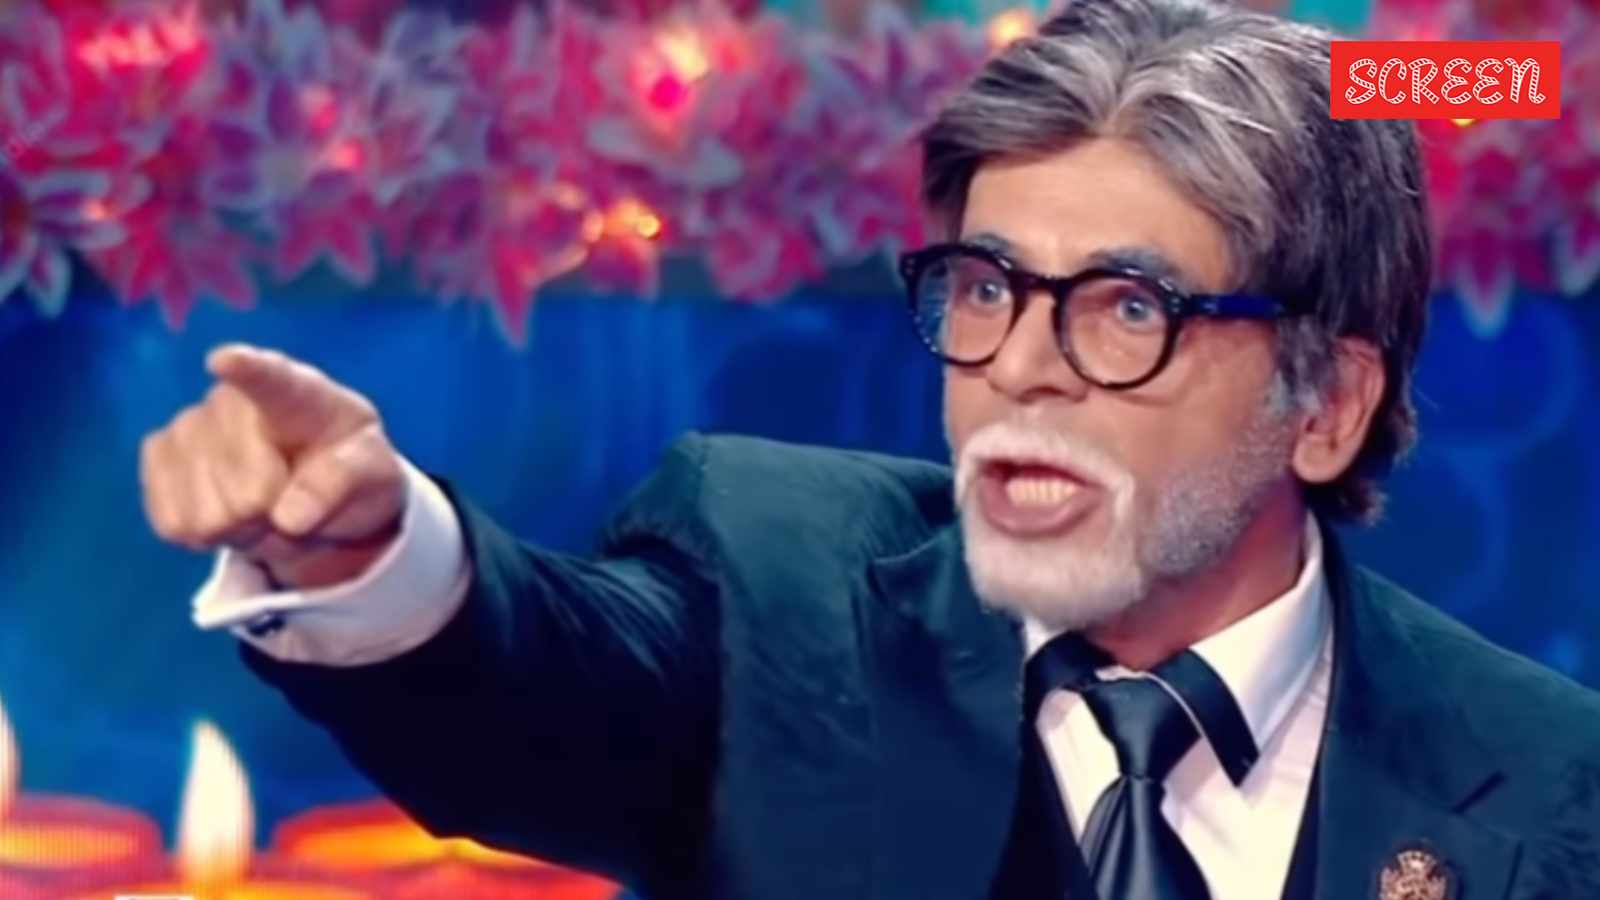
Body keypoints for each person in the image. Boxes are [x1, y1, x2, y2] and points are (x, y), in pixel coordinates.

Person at [138, 1, 1600, 898]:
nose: (1016, 366)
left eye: (1126, 307)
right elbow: (539, 672)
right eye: (984, 288)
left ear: (1326, 402)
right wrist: (375, 553)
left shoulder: (1554, 781)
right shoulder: (778, 588)